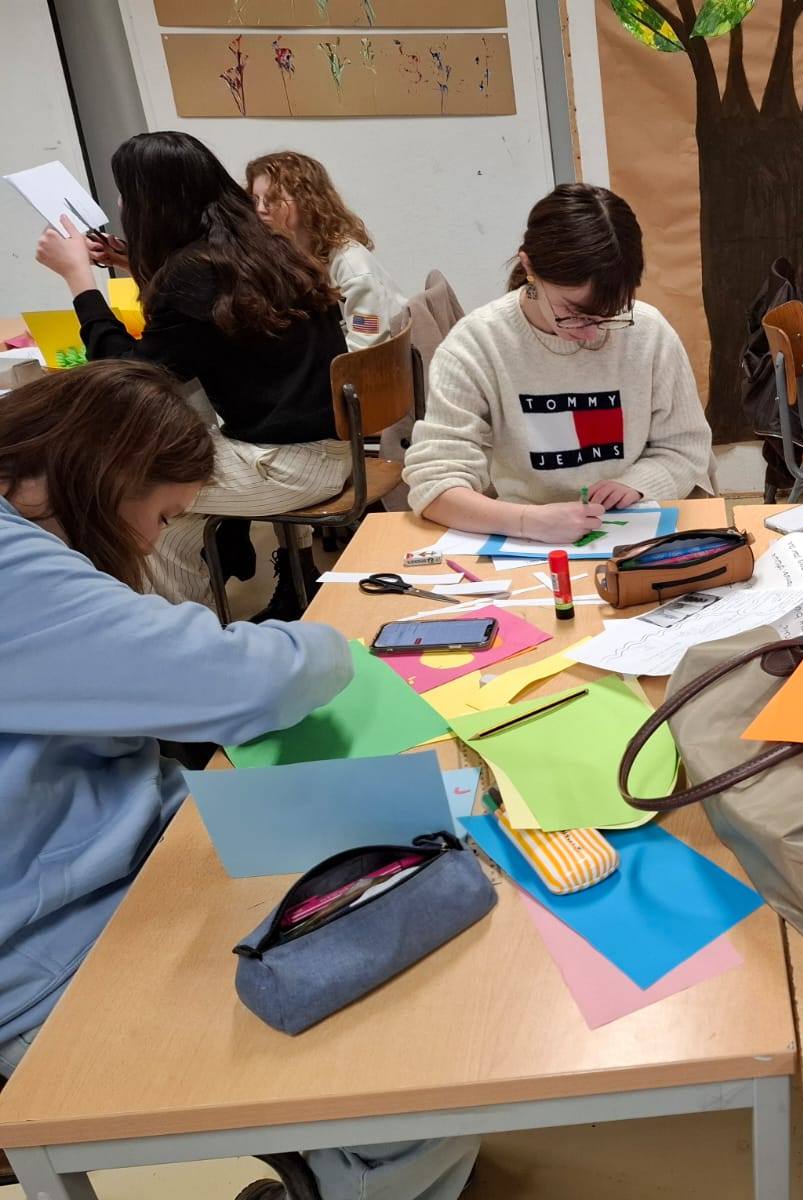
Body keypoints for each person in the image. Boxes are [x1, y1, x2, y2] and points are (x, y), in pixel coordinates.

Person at [0, 361, 480, 1200]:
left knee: (424, 942)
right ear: (104, 476)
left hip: (123, 865)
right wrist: (332, 645)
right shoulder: (16, 566)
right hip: (55, 947)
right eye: (162, 517)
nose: (148, 545)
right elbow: (246, 680)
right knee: (415, 1067)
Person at [33, 130, 349, 619]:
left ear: (154, 201)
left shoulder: (195, 273)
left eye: (125, 192)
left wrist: (80, 282)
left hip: (286, 465)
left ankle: (179, 632)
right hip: (331, 449)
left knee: (126, 500)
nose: (120, 204)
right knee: (166, 515)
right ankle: (204, 601)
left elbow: (127, 379)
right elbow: (201, 322)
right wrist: (133, 261)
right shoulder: (263, 247)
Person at [403, 183, 714, 541]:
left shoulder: (647, 332)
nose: (591, 334)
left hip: (634, 530)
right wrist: (526, 521)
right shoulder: (477, 344)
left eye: (610, 314)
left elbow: (686, 447)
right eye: (574, 313)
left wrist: (638, 484)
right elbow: (434, 483)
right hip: (527, 540)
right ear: (529, 268)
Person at [246, 150, 408, 351]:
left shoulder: (351, 264)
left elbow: (366, 347)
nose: (260, 209)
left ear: (307, 202)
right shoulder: (286, 256)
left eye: (272, 200)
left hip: (369, 365)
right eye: (255, 200)